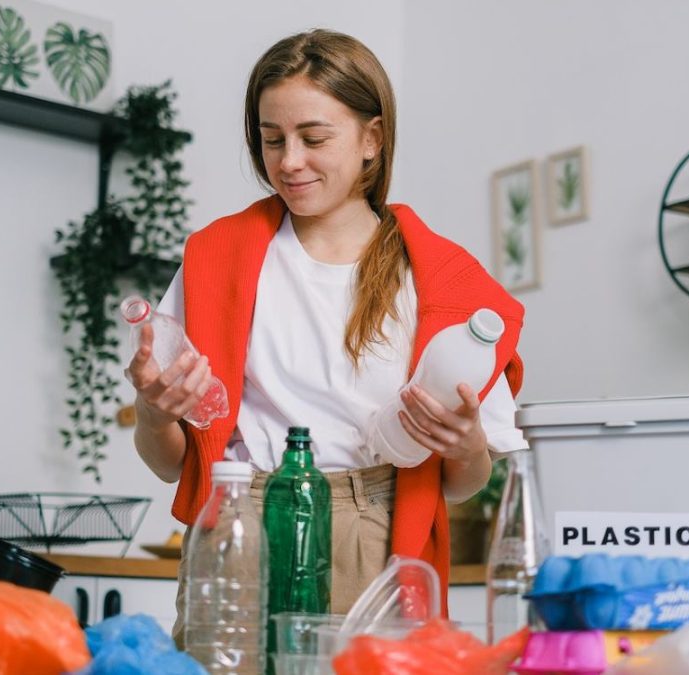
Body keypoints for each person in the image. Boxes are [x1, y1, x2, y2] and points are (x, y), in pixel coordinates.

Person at [126, 28, 527, 646]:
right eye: (271, 139)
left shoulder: (442, 282)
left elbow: (464, 481)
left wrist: (465, 443)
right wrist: (156, 414)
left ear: (372, 139)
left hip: (378, 539)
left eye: (314, 138)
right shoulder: (215, 261)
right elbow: (170, 463)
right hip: (240, 530)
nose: (288, 162)